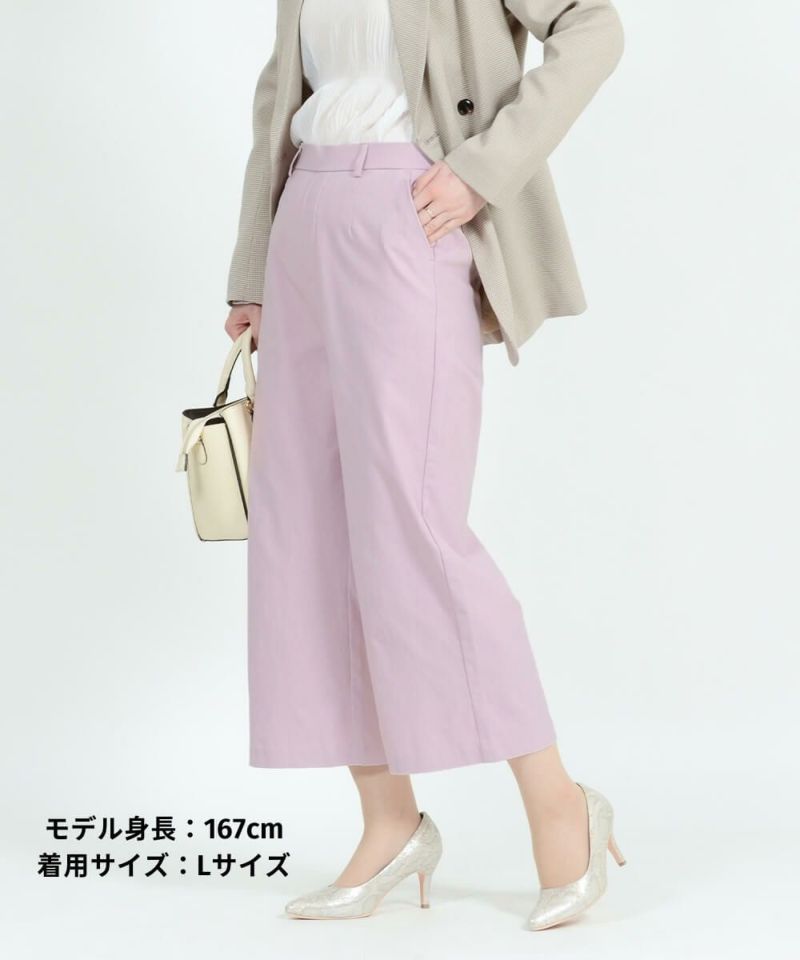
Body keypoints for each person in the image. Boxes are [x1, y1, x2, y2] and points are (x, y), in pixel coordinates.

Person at [223, 0, 625, 931]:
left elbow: (592, 27)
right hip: (305, 221)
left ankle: (559, 801)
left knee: (414, 524)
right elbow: (281, 95)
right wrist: (253, 267)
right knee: (305, 534)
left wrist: (483, 169)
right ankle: (389, 822)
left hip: (415, 212)